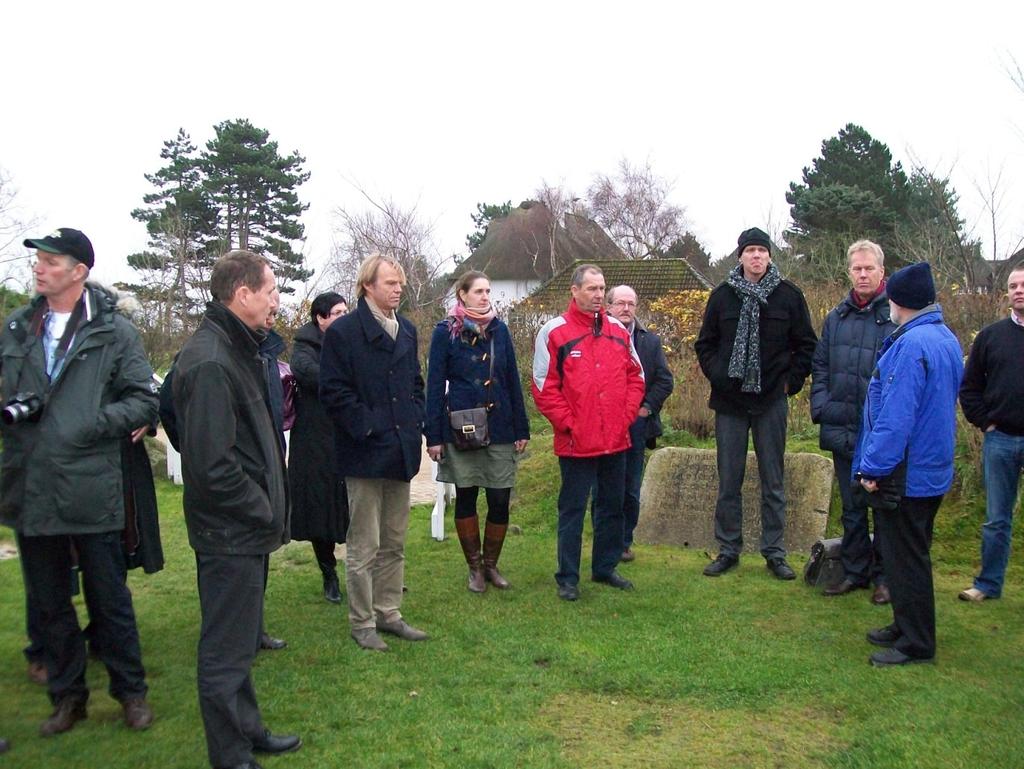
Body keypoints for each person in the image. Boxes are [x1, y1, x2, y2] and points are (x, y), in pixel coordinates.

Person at [0, 228, 157, 735]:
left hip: (90, 484)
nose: (39, 268)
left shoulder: (114, 332)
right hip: (33, 485)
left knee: (109, 598)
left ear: (79, 271)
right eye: (38, 261)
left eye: (51, 261)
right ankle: (68, 697)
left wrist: (91, 421)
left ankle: (130, 692)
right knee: (48, 603)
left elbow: (143, 399)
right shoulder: (19, 328)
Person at [173, 250, 300, 768]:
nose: (276, 301)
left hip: (243, 529)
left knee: (240, 644)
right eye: (270, 290)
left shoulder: (240, 348)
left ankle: (248, 730)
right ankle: (230, 755)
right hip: (229, 530)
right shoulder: (210, 359)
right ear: (242, 294)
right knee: (225, 651)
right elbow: (211, 466)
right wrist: (263, 508)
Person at [854, 262, 963, 666]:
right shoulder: (944, 337)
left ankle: (917, 642)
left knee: (907, 557)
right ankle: (904, 623)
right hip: (930, 466)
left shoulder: (912, 345)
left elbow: (895, 417)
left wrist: (872, 467)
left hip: (907, 472)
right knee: (905, 555)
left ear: (899, 300)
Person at [694, 227, 817, 580]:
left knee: (773, 481)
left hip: (770, 402)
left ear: (769, 256)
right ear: (741, 257)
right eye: (750, 251)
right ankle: (728, 548)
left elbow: (806, 345)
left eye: (762, 251)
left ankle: (775, 552)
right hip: (730, 402)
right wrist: (719, 374)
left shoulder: (789, 296)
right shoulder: (721, 297)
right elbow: (705, 344)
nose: (757, 257)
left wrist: (789, 383)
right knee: (728, 480)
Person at [320, 253, 428, 651]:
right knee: (364, 544)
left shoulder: (409, 331)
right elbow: (333, 391)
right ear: (368, 285)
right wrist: (368, 425)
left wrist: (415, 419)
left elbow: (417, 384)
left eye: (400, 283)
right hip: (365, 452)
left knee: (394, 541)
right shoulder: (344, 333)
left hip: (399, 451)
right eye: (390, 283)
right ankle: (362, 621)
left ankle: (389, 612)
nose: (398, 289)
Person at [532, 264, 645, 601]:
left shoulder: (618, 331)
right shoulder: (554, 332)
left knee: (612, 505)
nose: (598, 295)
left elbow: (635, 377)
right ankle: (568, 577)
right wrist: (570, 424)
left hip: (615, 439)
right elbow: (543, 385)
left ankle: (605, 567)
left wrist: (623, 419)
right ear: (575, 291)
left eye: (601, 289)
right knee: (573, 509)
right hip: (575, 442)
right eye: (592, 289)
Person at [426, 271, 530, 593]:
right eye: (479, 292)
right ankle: (474, 568)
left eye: (488, 291)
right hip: (462, 426)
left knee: (499, 498)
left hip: (500, 426)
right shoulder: (445, 332)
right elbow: (434, 385)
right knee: (467, 495)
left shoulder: (501, 330)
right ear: (463, 295)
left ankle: (491, 565)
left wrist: (522, 427)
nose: (486, 297)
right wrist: (434, 437)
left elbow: (512, 379)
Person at [810, 240, 895, 604]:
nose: (862, 274)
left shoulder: (894, 316)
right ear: (849, 272)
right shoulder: (836, 317)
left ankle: (886, 578)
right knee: (852, 507)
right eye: (857, 269)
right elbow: (821, 367)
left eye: (869, 268)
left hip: (879, 434)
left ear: (881, 273)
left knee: (885, 510)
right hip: (841, 425)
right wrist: (822, 407)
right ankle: (856, 571)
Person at [957, 262, 1024, 602]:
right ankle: (988, 584)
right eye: (1013, 286)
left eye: (1023, 285)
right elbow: (968, 388)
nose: (1018, 291)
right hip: (1001, 439)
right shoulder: (990, 337)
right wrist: (986, 421)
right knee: (997, 518)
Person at [288, 292, 350, 604]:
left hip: (347, 435)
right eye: (337, 313)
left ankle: (369, 572)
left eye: (345, 311)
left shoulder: (353, 341)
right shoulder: (304, 346)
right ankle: (329, 573)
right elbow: (310, 374)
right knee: (320, 509)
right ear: (321, 318)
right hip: (314, 440)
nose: (343, 317)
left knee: (356, 506)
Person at [605, 285, 674, 563]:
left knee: (630, 487)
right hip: (604, 424)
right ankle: (604, 539)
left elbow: (664, 380)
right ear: (608, 306)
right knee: (605, 486)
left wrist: (646, 408)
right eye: (620, 303)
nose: (626, 309)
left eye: (631, 304)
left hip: (636, 424)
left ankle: (624, 542)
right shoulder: (598, 336)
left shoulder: (649, 342)